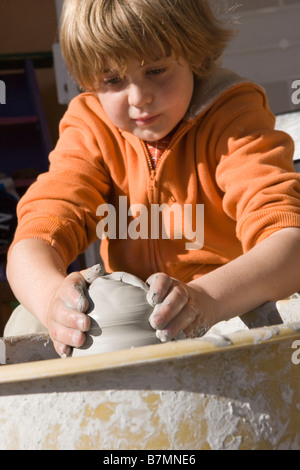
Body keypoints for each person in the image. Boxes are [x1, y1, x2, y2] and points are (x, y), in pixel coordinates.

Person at [5, 0, 300, 356]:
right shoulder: (92, 127)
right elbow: (36, 237)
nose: (139, 97)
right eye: (113, 80)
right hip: (127, 317)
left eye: (156, 70)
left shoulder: (233, 118)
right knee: (27, 321)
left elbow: (289, 244)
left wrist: (206, 299)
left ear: (192, 54)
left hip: (226, 305)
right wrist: (53, 300)